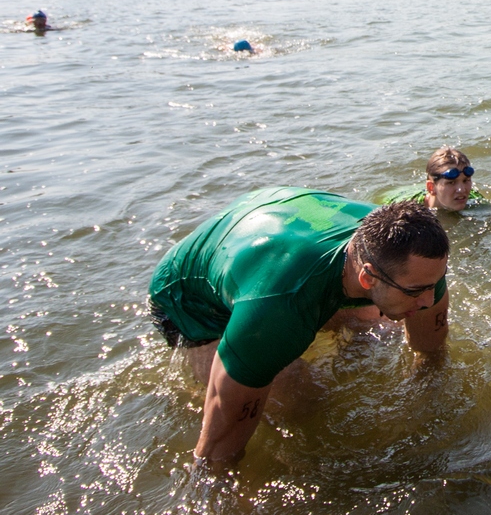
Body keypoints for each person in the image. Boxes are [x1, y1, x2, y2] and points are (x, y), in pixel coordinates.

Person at [147, 187, 451, 464]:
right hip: (190, 297)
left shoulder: (416, 259)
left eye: (434, 284)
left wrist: (425, 396)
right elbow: (216, 449)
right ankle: (197, 381)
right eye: (417, 291)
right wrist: (213, 487)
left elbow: (430, 350)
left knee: (379, 324)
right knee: (302, 402)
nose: (429, 298)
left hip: (278, 220)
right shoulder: (275, 306)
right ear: (367, 276)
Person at [380, 146, 483, 213]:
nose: (462, 189)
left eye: (466, 180)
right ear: (431, 187)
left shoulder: (475, 198)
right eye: (451, 182)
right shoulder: (406, 209)